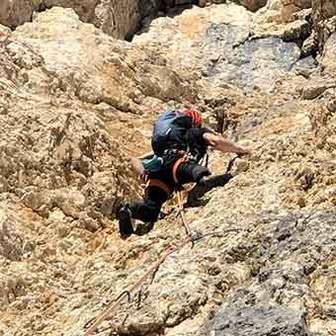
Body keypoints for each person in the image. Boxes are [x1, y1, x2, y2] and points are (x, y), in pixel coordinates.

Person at [117, 108, 250, 238]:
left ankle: (128, 209)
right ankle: (211, 178)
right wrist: (240, 149)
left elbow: (134, 160)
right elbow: (215, 141)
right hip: (179, 165)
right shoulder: (194, 132)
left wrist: (144, 174)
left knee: (150, 211)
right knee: (199, 174)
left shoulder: (162, 146)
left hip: (158, 175)